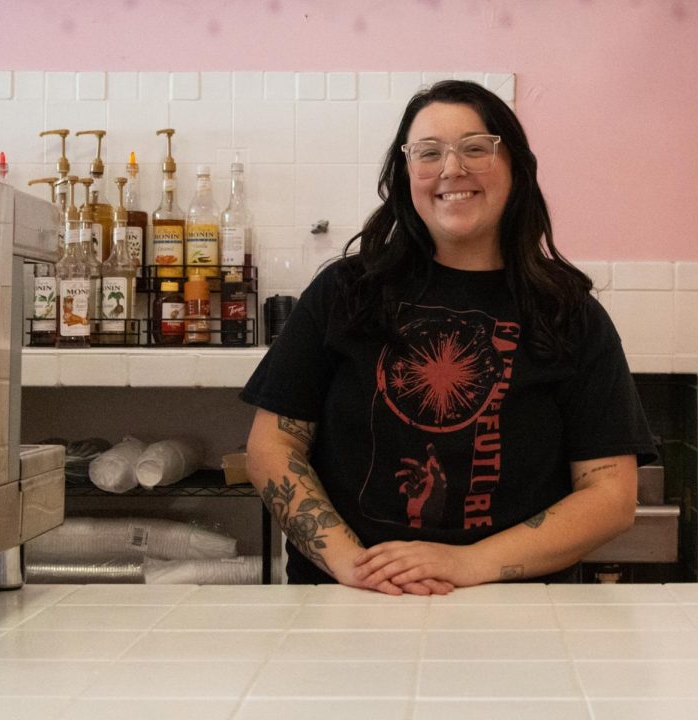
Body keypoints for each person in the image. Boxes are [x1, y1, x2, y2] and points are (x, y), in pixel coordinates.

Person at [241, 80, 656, 595]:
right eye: (428, 153)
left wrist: (468, 563)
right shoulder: (345, 292)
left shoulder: (569, 315)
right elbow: (273, 445)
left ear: (515, 168)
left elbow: (611, 495)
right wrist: (353, 565)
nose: (451, 169)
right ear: (406, 173)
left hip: (516, 614)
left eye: (476, 148)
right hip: (348, 599)